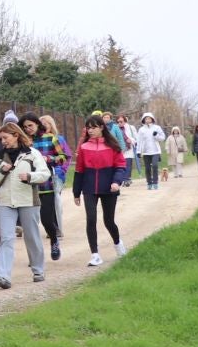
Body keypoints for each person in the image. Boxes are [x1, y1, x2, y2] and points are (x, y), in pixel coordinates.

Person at [0, 124, 50, 287]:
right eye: (1, 138)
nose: (3, 142)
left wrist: (30, 176)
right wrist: (2, 171)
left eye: (5, 138)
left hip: (28, 200)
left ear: (16, 135)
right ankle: (3, 276)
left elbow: (45, 174)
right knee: (6, 238)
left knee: (31, 236)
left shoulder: (32, 154)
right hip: (6, 202)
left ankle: (38, 270)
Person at [73, 117, 128, 264]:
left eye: (94, 127)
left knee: (108, 221)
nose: (90, 130)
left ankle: (118, 244)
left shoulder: (112, 146)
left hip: (109, 187)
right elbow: (79, 170)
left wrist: (116, 182)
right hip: (89, 188)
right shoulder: (84, 147)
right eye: (88, 128)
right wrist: (76, 192)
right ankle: (95, 254)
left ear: (102, 127)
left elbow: (120, 166)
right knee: (91, 219)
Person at [22, 114, 67, 261]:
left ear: (37, 124)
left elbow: (63, 157)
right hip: (27, 187)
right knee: (30, 224)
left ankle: (54, 241)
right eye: (25, 127)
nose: (28, 129)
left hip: (46, 185)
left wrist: (49, 159)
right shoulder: (22, 142)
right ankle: (34, 256)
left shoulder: (50, 138)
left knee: (47, 219)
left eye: (30, 125)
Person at [133, 113, 167, 190]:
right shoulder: (141, 129)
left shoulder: (157, 127)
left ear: (152, 119)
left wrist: (156, 135)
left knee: (155, 166)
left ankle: (155, 182)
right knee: (147, 168)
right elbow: (139, 141)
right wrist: (138, 151)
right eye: (146, 119)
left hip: (155, 151)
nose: (148, 120)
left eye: (149, 118)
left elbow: (162, 138)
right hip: (146, 152)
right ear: (143, 120)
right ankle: (149, 182)